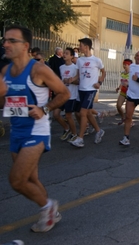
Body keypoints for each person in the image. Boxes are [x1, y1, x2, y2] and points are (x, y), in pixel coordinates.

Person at [1, 25, 69, 232]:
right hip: (17, 131)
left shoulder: (38, 69)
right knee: (30, 178)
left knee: (17, 180)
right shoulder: (5, 71)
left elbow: (64, 93)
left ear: (25, 46)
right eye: (5, 40)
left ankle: (47, 208)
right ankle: (51, 212)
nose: (6, 44)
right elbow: (5, 102)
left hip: (36, 131)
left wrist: (45, 108)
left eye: (12, 41)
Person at [70, 38, 106, 147]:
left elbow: (104, 72)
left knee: (83, 113)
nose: (79, 47)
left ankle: (80, 139)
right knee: (88, 113)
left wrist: (99, 82)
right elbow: (77, 75)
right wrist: (71, 80)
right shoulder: (80, 60)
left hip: (91, 90)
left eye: (80, 45)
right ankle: (99, 131)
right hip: (81, 90)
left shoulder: (96, 60)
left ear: (86, 47)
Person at [119, 51, 139, 146]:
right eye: (137, 55)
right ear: (134, 57)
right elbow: (129, 79)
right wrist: (128, 84)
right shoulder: (131, 66)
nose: (138, 57)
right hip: (131, 95)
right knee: (128, 116)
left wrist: (137, 79)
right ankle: (126, 137)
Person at [59, 47, 80, 142]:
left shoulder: (75, 68)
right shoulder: (61, 67)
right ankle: (67, 129)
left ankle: (74, 134)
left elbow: (79, 82)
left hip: (71, 95)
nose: (64, 55)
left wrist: (71, 81)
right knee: (55, 114)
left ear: (72, 56)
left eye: (67, 53)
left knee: (68, 116)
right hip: (62, 94)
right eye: (64, 53)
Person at [116, 59, 132, 125]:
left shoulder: (131, 74)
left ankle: (130, 122)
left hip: (130, 93)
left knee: (128, 109)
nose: (124, 66)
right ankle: (123, 118)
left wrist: (128, 85)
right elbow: (122, 82)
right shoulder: (122, 73)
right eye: (123, 64)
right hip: (123, 91)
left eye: (126, 64)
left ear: (129, 65)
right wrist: (118, 87)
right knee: (118, 106)